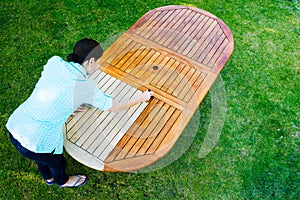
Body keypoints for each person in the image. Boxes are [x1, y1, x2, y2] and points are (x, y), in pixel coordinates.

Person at [6, 38, 153, 188]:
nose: (98, 66)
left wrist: (70, 105)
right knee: (57, 162)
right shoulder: (84, 86)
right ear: (91, 61)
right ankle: (62, 181)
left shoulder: (54, 63)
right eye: (98, 62)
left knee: (42, 157)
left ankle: (47, 178)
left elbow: (55, 90)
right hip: (36, 141)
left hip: (16, 126)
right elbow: (114, 106)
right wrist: (141, 98)